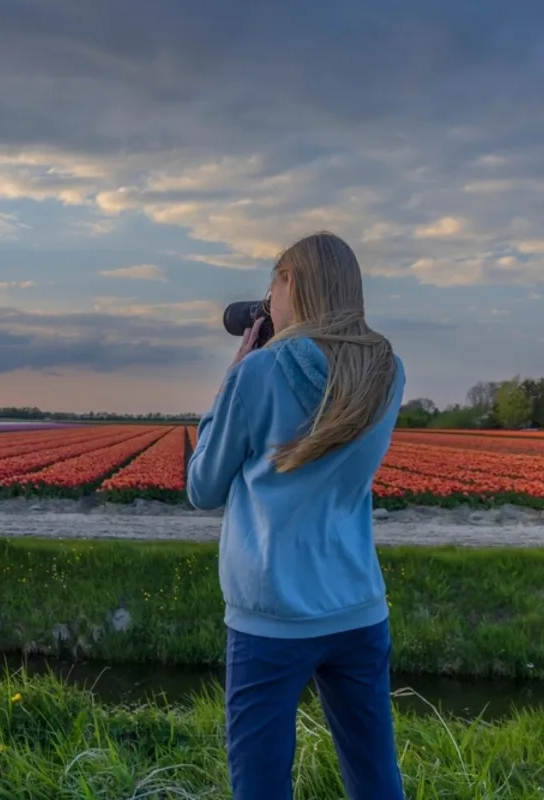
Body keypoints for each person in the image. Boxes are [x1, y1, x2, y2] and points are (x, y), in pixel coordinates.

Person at [186, 231, 406, 800]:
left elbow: (203, 487)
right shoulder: (387, 371)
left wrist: (231, 380)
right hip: (358, 604)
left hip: (271, 615)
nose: (268, 301)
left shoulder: (258, 374)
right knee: (375, 775)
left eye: (272, 283)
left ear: (293, 283)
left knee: (260, 784)